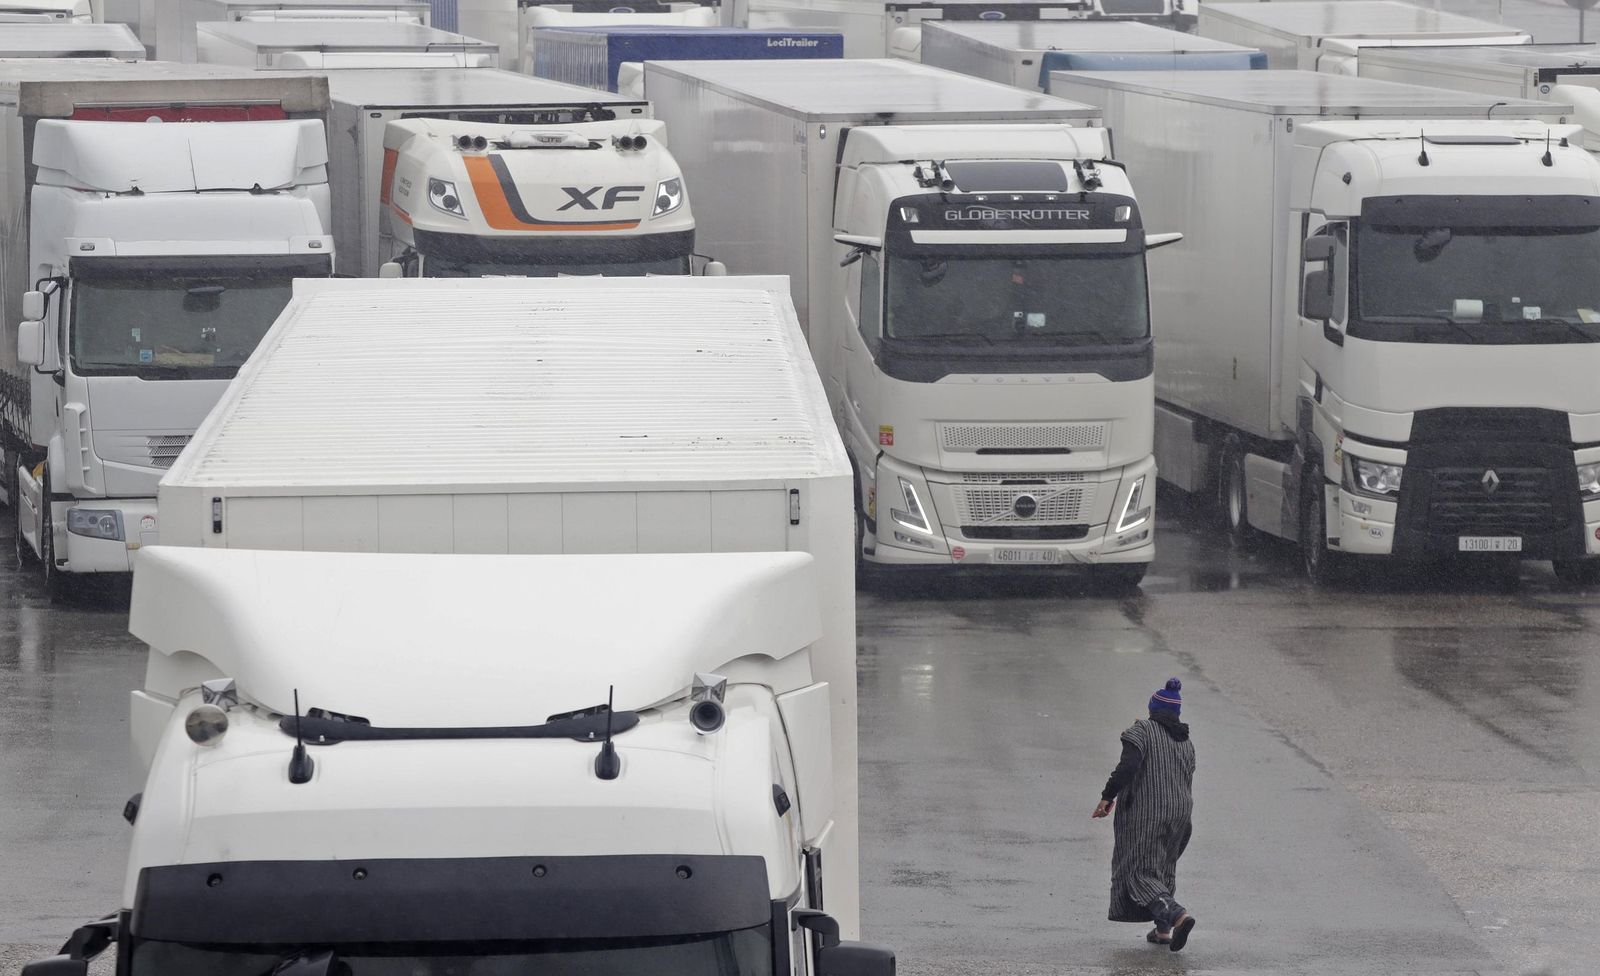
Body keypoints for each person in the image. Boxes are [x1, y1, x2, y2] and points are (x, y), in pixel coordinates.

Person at [1092, 677, 1197, 952]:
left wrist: (1107, 795)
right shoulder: (1186, 742)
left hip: (1150, 812)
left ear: (1153, 709)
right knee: (1162, 868)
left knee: (1139, 871)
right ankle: (1163, 931)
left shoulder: (1142, 730)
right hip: (1181, 812)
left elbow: (1128, 766)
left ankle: (1177, 916)